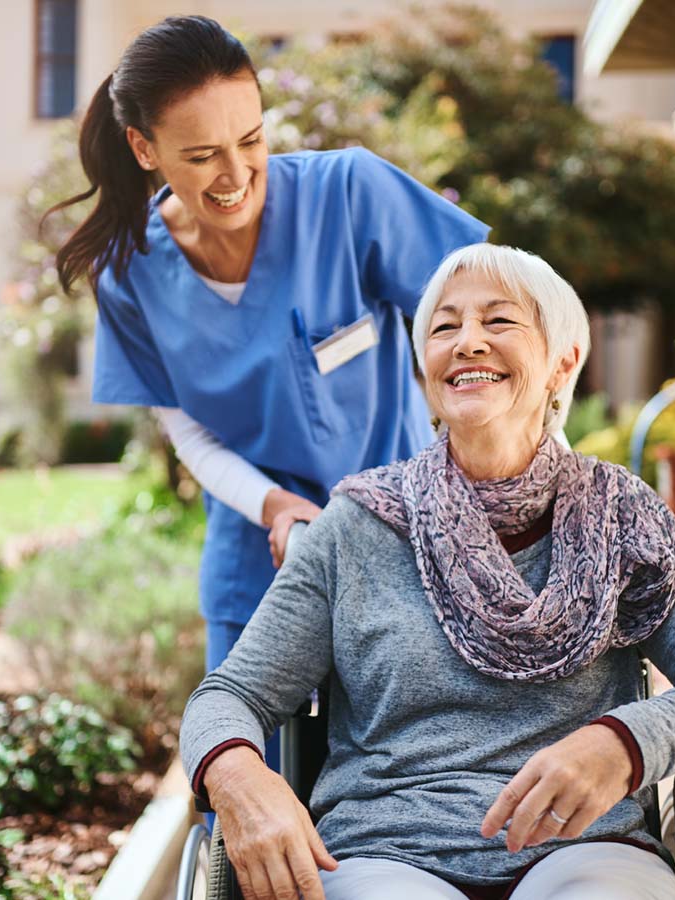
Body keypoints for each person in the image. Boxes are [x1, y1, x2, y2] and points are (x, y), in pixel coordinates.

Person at [179, 243, 675, 900]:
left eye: (498, 322)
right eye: (444, 327)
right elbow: (229, 696)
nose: (468, 343)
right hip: (387, 853)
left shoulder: (621, 515)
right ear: (426, 370)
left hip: (585, 849)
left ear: (562, 361)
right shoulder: (357, 527)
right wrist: (238, 775)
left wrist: (624, 744)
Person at [50, 13, 490, 746]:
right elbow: (187, 429)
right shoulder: (129, 272)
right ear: (144, 149)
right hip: (256, 555)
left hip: (406, 543)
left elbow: (485, 327)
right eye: (201, 155)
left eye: (250, 140)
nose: (235, 174)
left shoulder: (348, 194)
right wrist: (275, 506)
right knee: (244, 768)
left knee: (408, 773)